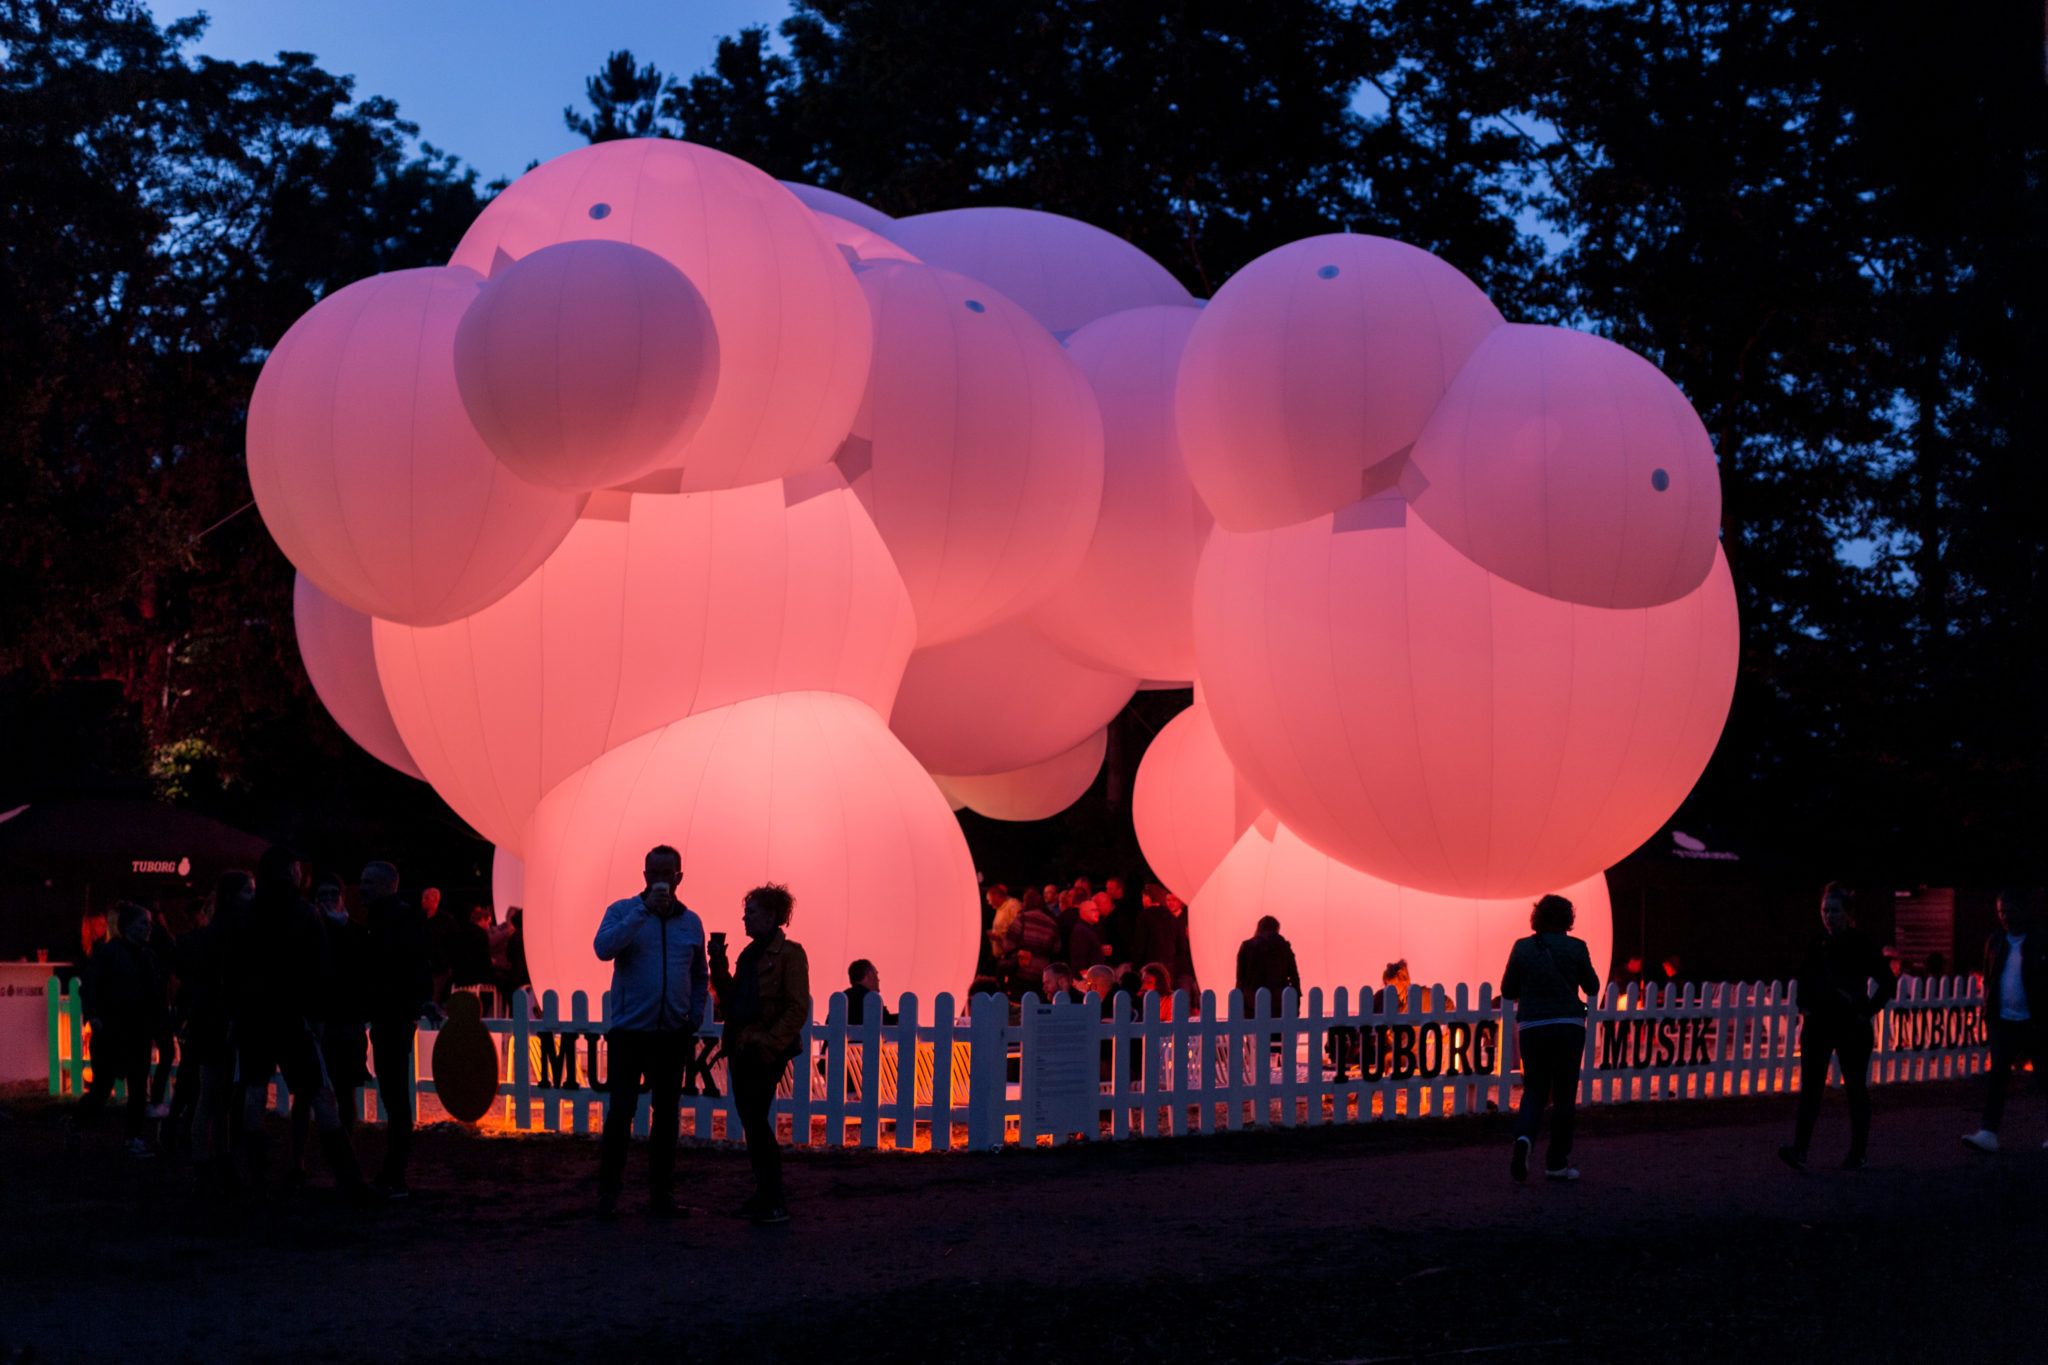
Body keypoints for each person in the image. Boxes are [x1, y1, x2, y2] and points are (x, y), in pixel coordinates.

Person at [227, 846, 361, 1193]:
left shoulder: (246, 914)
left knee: (255, 1090)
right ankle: (346, 1173)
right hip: (293, 1016)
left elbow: (235, 968)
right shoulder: (305, 913)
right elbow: (320, 969)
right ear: (290, 872)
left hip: (255, 1015)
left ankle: (256, 1171)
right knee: (318, 1090)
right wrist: (316, 1014)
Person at [592, 845, 708, 1220]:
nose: (660, 880)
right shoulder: (623, 911)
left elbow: (699, 975)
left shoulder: (691, 923)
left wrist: (695, 1014)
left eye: (667, 874)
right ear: (645, 876)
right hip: (629, 1033)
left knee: (667, 1117)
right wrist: (642, 911)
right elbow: (603, 948)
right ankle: (608, 1194)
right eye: (654, 873)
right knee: (620, 1114)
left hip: (671, 1034)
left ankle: (661, 1195)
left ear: (679, 878)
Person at [710, 883, 810, 1226]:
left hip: (763, 1050)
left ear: (771, 916)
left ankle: (774, 1198)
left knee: (755, 1120)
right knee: (752, 1121)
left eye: (751, 912)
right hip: (743, 1045)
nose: (744, 919)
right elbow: (734, 1000)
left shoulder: (791, 955)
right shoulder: (749, 954)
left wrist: (768, 1043)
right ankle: (765, 1193)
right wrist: (719, 966)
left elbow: (797, 1008)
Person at [1779, 882, 1894, 1171]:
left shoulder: (1861, 945)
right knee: (1811, 1090)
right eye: (1824, 910)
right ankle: (1800, 1150)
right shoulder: (1817, 943)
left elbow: (1887, 981)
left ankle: (1858, 1154)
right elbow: (1803, 980)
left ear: (1847, 913)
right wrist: (1803, 1005)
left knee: (1855, 1088)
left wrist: (1866, 1011)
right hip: (1818, 1025)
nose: (1828, 916)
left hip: (1850, 1026)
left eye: (1834, 910)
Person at [1500, 894, 1600, 1183]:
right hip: (1568, 1026)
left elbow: (1507, 990)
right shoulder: (1576, 947)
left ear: (1537, 918)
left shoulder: (1522, 948)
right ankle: (1556, 1163)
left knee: (1535, 1090)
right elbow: (1591, 986)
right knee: (1564, 1095)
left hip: (1532, 1026)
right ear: (1568, 919)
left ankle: (1523, 1139)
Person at [361, 860, 432, 1197]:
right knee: (393, 1093)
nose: (362, 888)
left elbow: (412, 966)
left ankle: (396, 1172)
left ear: (387, 884)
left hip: (393, 1015)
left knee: (394, 1095)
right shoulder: (395, 917)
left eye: (368, 882)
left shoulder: (394, 919)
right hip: (393, 1014)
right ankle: (393, 1170)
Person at [291, 877, 369, 1179]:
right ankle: (298, 1160)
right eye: (322, 893)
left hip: (346, 1020)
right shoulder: (307, 931)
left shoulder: (355, 932)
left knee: (346, 1091)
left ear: (342, 896)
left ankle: (344, 1155)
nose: (327, 898)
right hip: (316, 1024)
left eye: (332, 892)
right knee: (305, 1093)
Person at [72, 902, 164, 1156]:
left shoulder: (148, 956)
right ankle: (77, 1122)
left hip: (138, 1031)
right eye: (142, 923)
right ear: (127, 926)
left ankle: (133, 1138)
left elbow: (154, 994)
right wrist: (94, 1016)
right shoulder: (110, 953)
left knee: (137, 1087)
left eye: (148, 924)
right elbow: (89, 986)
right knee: (102, 1088)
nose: (147, 928)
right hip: (112, 1031)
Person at [1962, 888, 2048, 1153]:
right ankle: (1988, 1132)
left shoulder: (2040, 941)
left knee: (2045, 1077)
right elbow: (1989, 978)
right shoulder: (1995, 941)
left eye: (2010, 911)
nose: (2005, 917)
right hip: (2003, 1022)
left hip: (2035, 1021)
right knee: (1997, 1077)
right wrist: (1990, 1015)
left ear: (2023, 910)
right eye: (2001, 912)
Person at [1133, 884, 1194, 993]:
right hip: (1169, 968)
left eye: (1143, 896)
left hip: (1150, 967)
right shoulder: (1171, 917)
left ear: (1148, 897)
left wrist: (1137, 966)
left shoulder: (1144, 917)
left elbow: (1139, 945)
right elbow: (1181, 947)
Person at [1234, 915, 1301, 1013]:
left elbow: (1240, 979)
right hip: (1279, 1002)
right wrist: (1296, 1001)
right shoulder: (1284, 947)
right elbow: (1294, 976)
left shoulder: (1247, 946)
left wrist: (1240, 1004)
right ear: (1277, 928)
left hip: (1252, 1002)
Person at [844, 959, 898, 1027]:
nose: (878, 980)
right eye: (876, 974)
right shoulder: (871, 998)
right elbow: (886, 1022)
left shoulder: (843, 998)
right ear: (869, 975)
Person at [1068, 894, 1111, 970]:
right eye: (1093, 910)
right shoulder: (1081, 931)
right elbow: (1079, 957)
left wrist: (1100, 950)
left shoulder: (1091, 928)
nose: (1097, 913)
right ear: (1083, 913)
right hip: (1088, 977)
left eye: (1097, 910)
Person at [985, 885, 1024, 964]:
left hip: (1009, 957)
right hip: (1000, 956)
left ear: (996, 896)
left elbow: (1017, 931)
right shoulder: (1000, 908)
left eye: (989, 900)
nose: (988, 903)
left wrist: (998, 937)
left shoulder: (1013, 906)